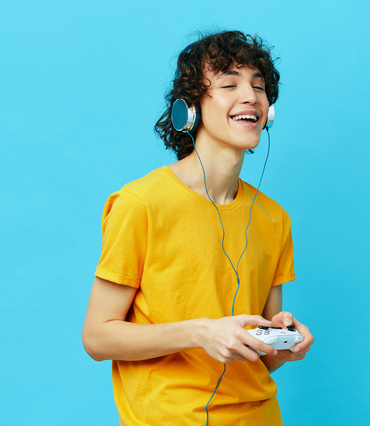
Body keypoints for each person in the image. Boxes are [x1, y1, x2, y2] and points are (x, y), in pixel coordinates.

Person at [82, 30, 313, 425]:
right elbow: (98, 337)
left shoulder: (275, 219)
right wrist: (201, 332)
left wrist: (284, 341)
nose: (250, 97)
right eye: (229, 84)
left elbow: (263, 355)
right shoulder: (141, 204)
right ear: (190, 109)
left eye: (259, 88)